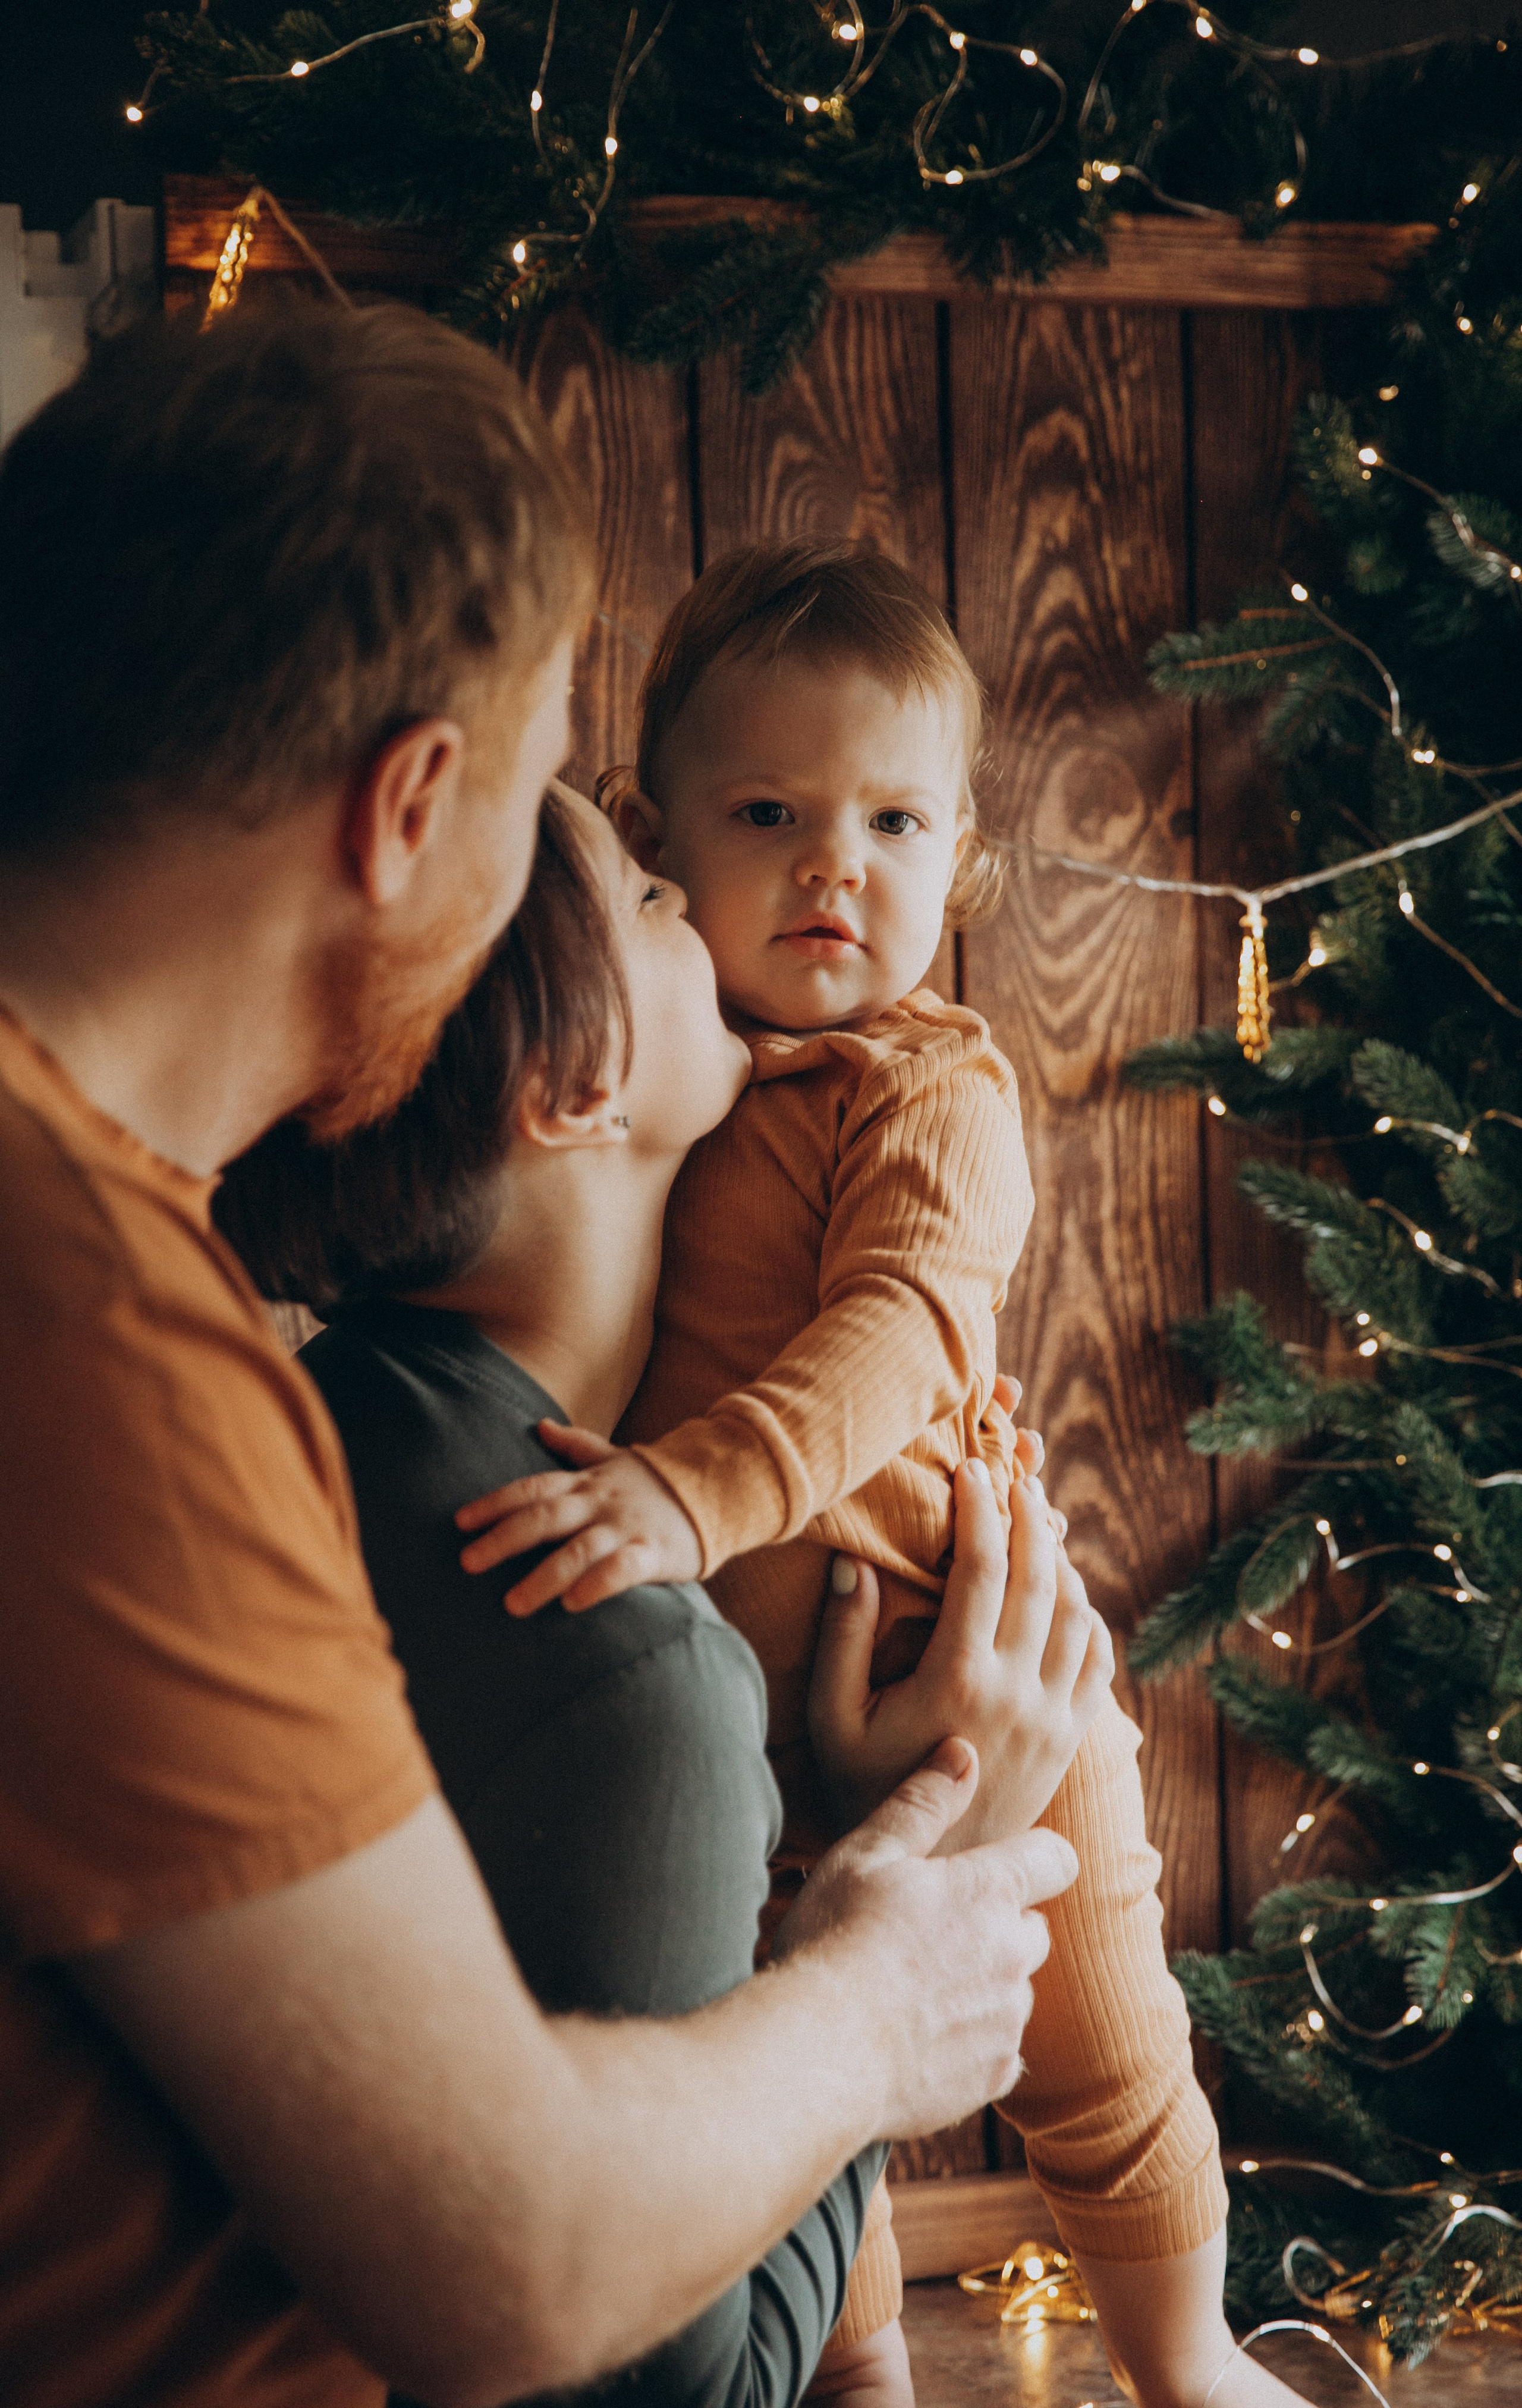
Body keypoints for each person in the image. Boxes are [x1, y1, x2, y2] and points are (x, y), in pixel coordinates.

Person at [0, 305, 1081, 2408]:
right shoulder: (93, 1334)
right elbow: (514, 2266)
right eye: (567, 819)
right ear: (414, 810)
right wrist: (885, 1967)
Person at [452, 544, 1310, 2408]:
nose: (835, 864)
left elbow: (906, 1331)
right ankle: (855, 2372)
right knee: (780, 2046)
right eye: (771, 811)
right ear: (651, 834)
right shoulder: (648, 1074)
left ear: (960, 868)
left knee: (1099, 2031)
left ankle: (1188, 2356)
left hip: (966, 1634)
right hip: (733, 1709)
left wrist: (693, 1496)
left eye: (894, 819)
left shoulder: (931, 1091)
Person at [214, 777, 1111, 2407]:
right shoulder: (624, 1665)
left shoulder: (316, 1428)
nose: (694, 903)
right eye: (644, 896)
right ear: (576, 1086)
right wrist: (901, 1876)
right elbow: (674, 2393)